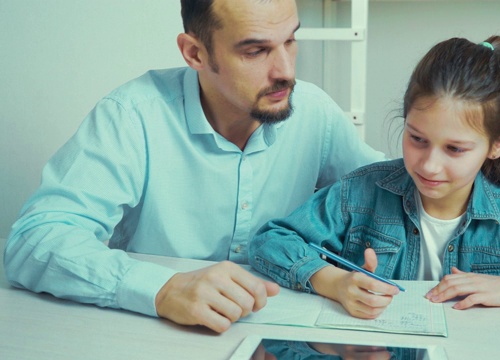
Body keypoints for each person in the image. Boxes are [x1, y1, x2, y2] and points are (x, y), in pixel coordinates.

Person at [3, 0, 384, 333]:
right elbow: (33, 242)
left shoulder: (314, 111)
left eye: (290, 40)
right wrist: (163, 289)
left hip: (287, 336)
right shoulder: (132, 117)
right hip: (155, 337)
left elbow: (399, 192)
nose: (285, 71)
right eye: (255, 51)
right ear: (195, 53)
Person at [249, 36, 500, 318]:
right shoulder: (359, 193)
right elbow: (271, 240)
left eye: (455, 149)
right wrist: (332, 281)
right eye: (416, 139)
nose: (429, 166)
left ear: (499, 143)